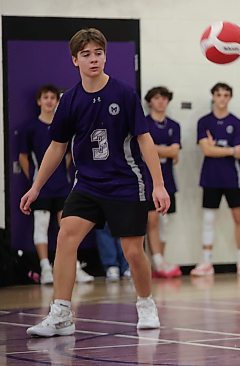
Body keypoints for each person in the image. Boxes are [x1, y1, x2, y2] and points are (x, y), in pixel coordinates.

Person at [21, 28, 170, 337]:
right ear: (75, 60)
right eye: (86, 54)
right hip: (87, 183)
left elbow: (145, 140)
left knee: (132, 251)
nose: (93, 59)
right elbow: (57, 147)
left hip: (125, 182)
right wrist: (36, 187)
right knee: (66, 237)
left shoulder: (125, 94)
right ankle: (61, 312)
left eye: (98, 53)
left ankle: (145, 303)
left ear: (105, 56)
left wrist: (158, 184)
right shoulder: (70, 100)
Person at [18, 84, 94, 285]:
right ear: (39, 101)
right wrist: (34, 180)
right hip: (41, 189)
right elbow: (23, 157)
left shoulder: (64, 126)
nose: (50, 101)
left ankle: (75, 267)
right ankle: (45, 268)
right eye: (46, 97)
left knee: (68, 228)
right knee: (41, 226)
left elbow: (68, 154)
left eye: (53, 97)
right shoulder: (31, 128)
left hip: (62, 186)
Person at [190, 82, 240, 277]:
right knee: (208, 218)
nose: (222, 99)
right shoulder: (204, 122)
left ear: (230, 98)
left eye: (226, 95)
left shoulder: (237, 123)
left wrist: (219, 149)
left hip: (233, 176)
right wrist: (228, 150)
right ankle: (207, 262)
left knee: (238, 217)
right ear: (213, 97)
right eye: (219, 95)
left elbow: (238, 153)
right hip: (211, 177)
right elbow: (206, 150)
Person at [144, 86, 182, 278]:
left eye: (164, 98)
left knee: (165, 221)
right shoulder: (144, 123)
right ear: (150, 101)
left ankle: (162, 259)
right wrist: (164, 150)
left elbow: (175, 152)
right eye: (157, 98)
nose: (160, 101)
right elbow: (143, 149)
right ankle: (156, 260)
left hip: (168, 179)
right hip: (149, 179)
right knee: (151, 220)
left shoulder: (174, 125)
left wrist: (157, 149)